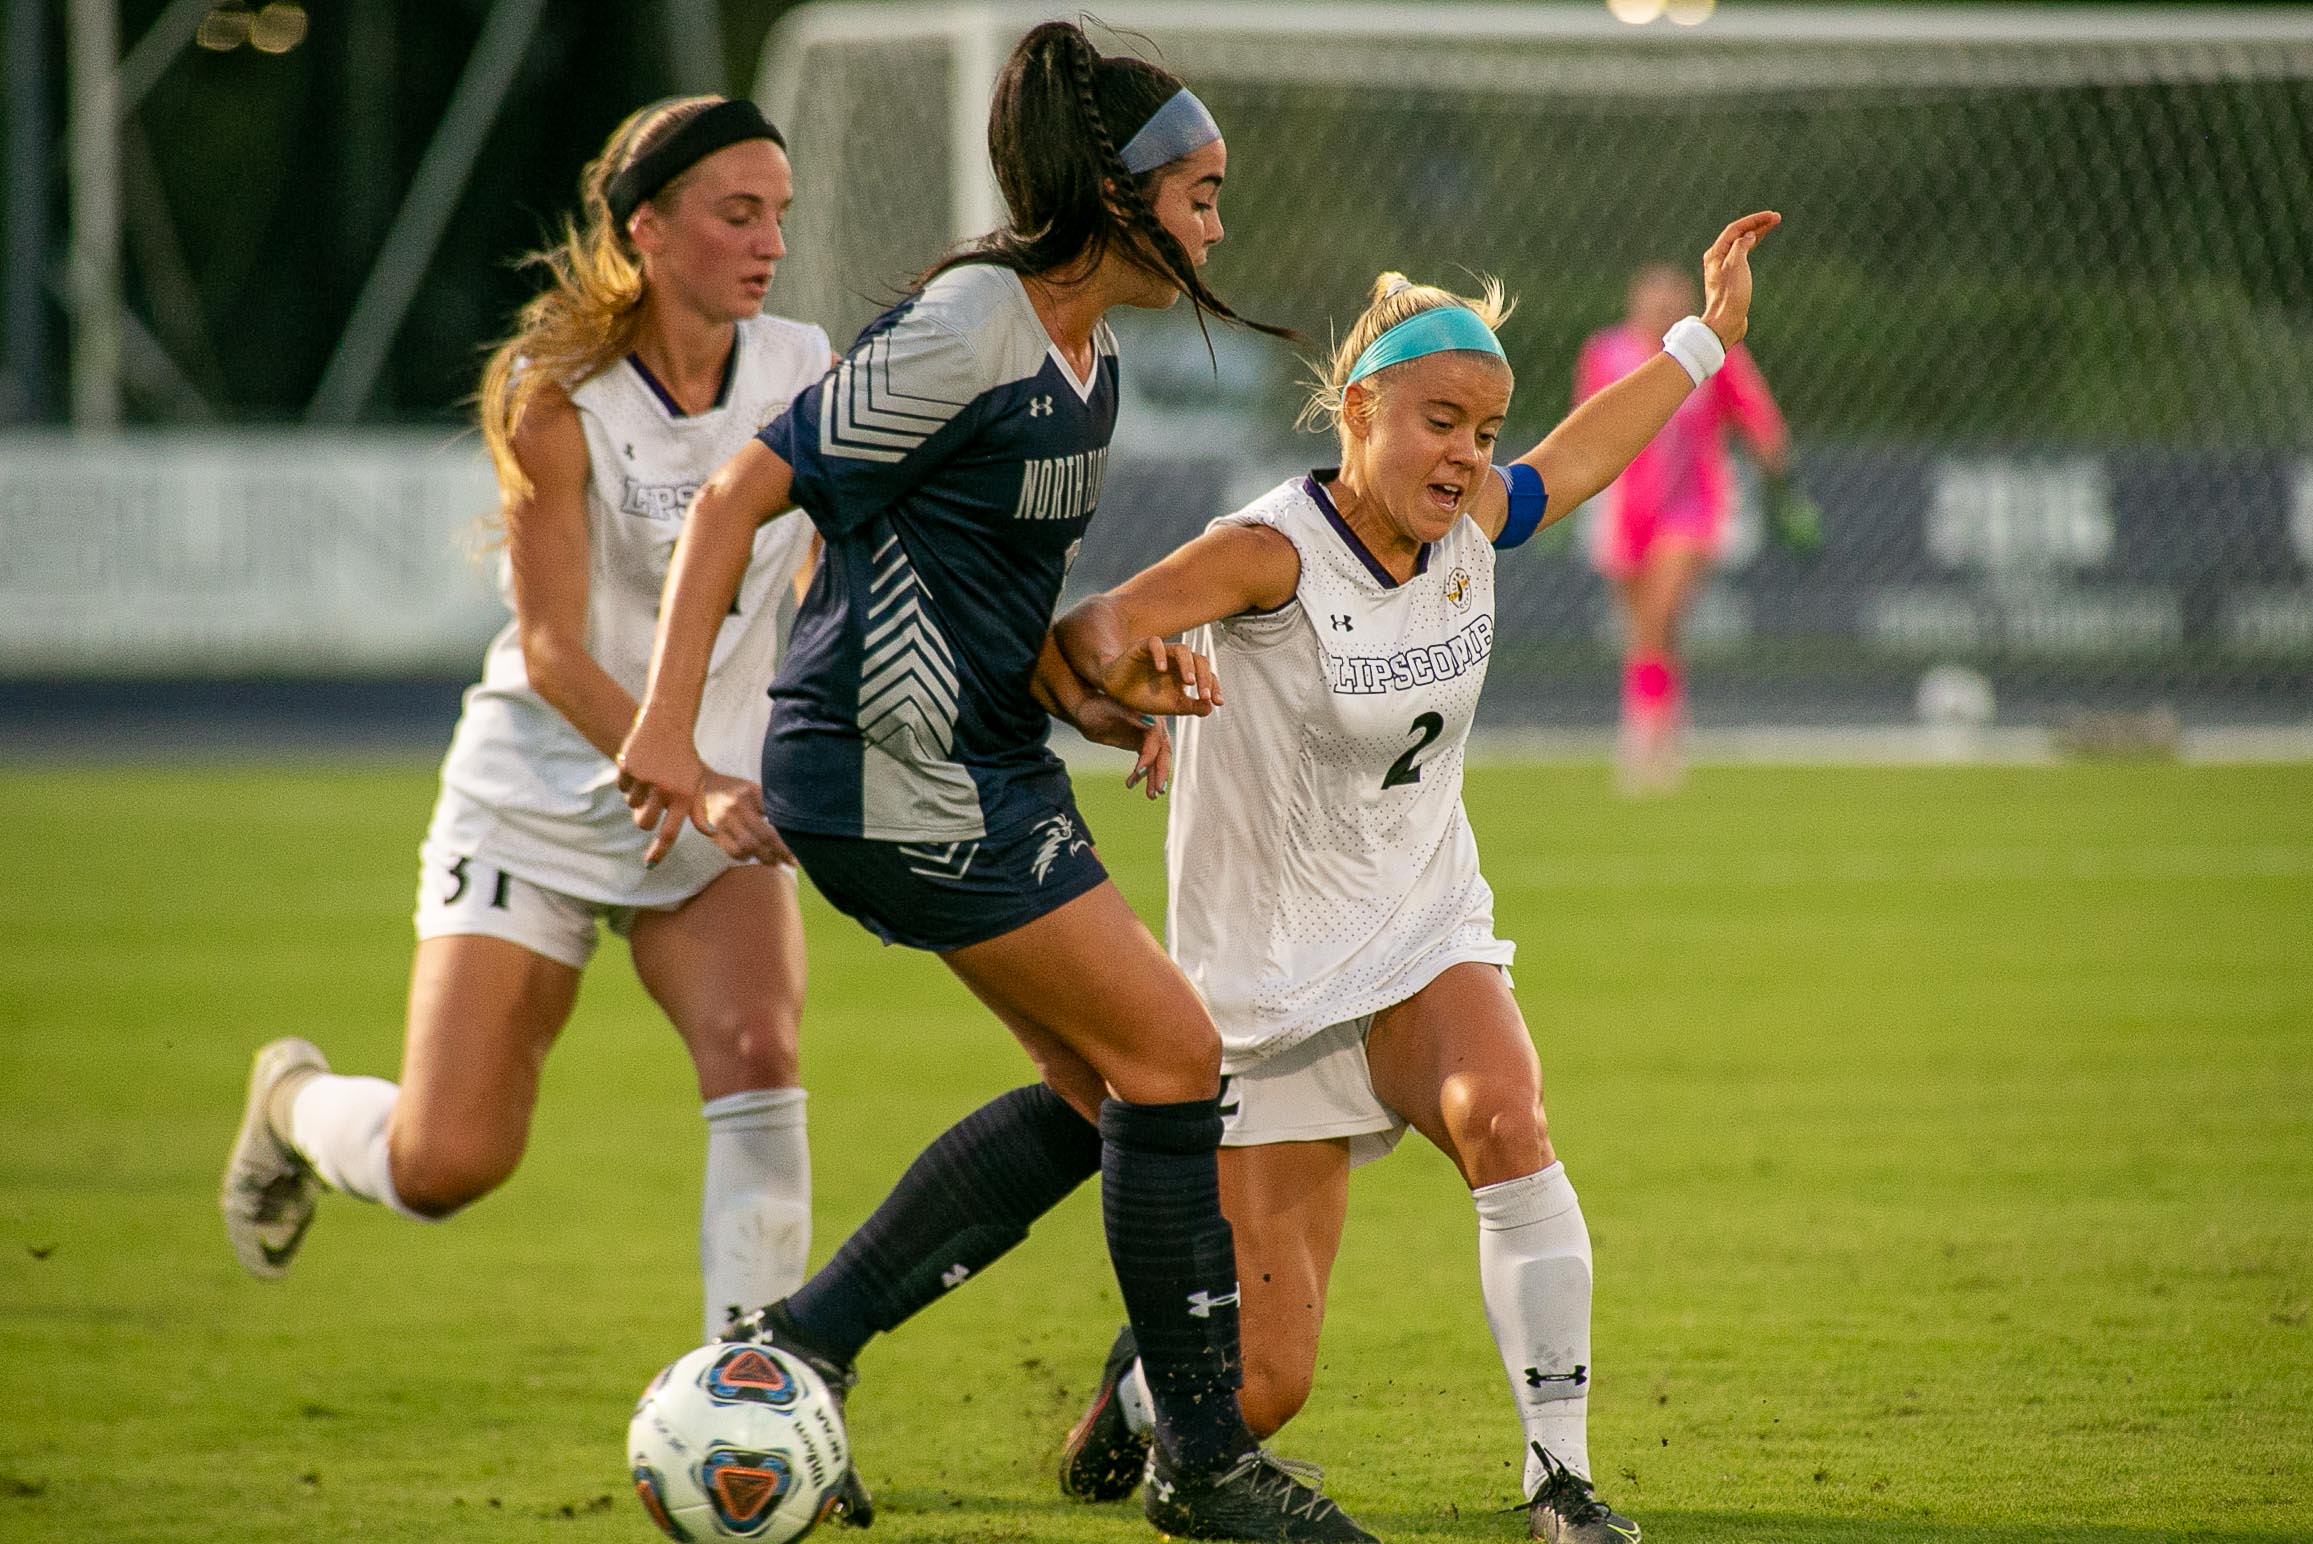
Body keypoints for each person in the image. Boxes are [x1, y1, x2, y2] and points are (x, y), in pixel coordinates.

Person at [615, 22, 1376, 1543]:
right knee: (1172, 1059)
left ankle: (801, 1349)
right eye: (1201, 193)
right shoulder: (975, 320)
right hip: (890, 770)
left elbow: (971, 594)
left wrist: (1098, 701)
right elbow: (736, 496)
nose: (1218, 226)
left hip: (985, 760)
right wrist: (664, 735)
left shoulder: (1086, 370)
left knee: (1103, 1089)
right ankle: (1204, 1463)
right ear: (1115, 190)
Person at [1048, 214, 1781, 1543]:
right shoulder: (1269, 550)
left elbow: (1579, 458)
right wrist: (1132, 682)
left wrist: (1699, 343)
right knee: (1265, 1385)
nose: (1470, 457)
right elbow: (1092, 628)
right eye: (1442, 420)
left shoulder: (1475, 524)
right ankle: (1144, 1389)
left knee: (1506, 1117)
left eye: (1485, 431)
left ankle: (1560, 1481)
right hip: (1264, 991)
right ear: (1360, 405)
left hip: (1419, 932)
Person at [220, 96, 829, 1346]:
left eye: (779, 214)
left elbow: (827, 573)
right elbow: (552, 647)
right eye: (737, 213)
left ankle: (756, 1401)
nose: (769, 241)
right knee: (448, 1162)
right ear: (647, 229)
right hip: (539, 797)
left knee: (760, 1053)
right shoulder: (553, 391)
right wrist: (688, 769)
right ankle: (293, 1102)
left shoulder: (805, 371)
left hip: (708, 796)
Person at [1577, 262, 1791, 793]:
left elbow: (1756, 415)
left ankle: (1645, 739)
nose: (1661, 310)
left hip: (1691, 509)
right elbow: (1585, 422)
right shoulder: (1607, 354)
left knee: (1660, 613)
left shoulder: (1710, 353)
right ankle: (1662, 726)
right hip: (1626, 510)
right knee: (1647, 630)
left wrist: (1778, 468)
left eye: (1671, 301)